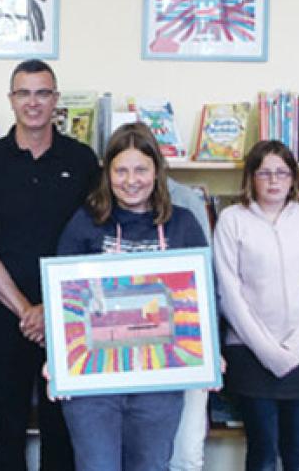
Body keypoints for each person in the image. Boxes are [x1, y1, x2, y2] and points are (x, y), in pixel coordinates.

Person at [0, 59, 99, 470]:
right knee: (9, 427)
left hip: (72, 317)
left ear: (55, 100)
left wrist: (52, 311)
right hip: (7, 317)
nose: (33, 102)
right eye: (24, 93)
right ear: (11, 99)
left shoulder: (82, 160)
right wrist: (26, 310)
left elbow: (96, 243)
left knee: (65, 430)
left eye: (43, 93)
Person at [56, 122, 210, 471]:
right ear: (107, 174)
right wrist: (59, 359)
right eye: (120, 170)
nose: (131, 180)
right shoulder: (86, 223)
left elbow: (202, 298)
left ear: (157, 171)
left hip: (159, 381)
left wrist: (208, 350)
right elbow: (62, 302)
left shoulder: (182, 225)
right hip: (93, 384)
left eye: (141, 169)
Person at [214, 140, 299, 471]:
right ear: (251, 177)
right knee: (262, 454)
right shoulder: (231, 219)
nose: (273, 181)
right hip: (251, 354)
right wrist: (268, 351)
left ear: (293, 178)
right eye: (265, 173)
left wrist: (296, 347)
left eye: (281, 173)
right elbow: (229, 293)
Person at [167, 178, 213, 471]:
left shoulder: (186, 205)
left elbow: (205, 278)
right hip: (132, 354)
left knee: (185, 455)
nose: (132, 180)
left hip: (187, 343)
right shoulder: (99, 208)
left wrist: (211, 346)